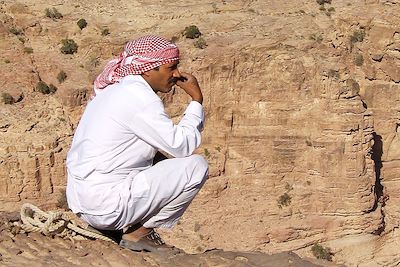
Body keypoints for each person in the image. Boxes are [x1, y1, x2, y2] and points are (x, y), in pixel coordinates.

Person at [66, 35, 208, 252]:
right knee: (196, 167)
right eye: (171, 67)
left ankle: (112, 229)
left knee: (158, 160)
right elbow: (182, 147)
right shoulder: (139, 98)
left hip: (85, 203)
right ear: (148, 70)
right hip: (105, 206)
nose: (177, 74)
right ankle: (138, 234)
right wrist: (196, 101)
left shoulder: (115, 89)